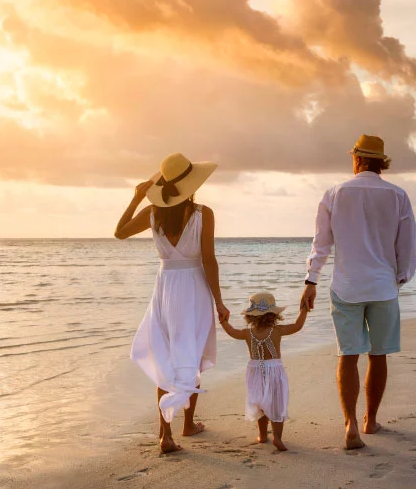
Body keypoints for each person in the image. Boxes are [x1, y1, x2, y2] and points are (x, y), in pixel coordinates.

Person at [300, 134, 416, 450]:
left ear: (358, 159)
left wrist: (310, 281)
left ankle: (350, 422)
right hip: (382, 286)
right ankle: (370, 420)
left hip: (346, 286)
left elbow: (321, 243)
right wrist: (400, 278)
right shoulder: (397, 196)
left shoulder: (334, 194)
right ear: (380, 162)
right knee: (378, 355)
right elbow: (406, 245)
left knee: (347, 355)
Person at [116, 153, 230, 454]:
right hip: (193, 288)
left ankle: (165, 434)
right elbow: (208, 260)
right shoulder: (204, 213)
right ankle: (188, 424)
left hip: (165, 289)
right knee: (189, 354)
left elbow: (120, 232)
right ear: (192, 184)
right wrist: (219, 301)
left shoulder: (152, 213)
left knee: (166, 358)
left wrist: (136, 198)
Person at [219, 292, 308, 452]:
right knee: (276, 403)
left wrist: (223, 321)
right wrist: (304, 310)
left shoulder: (247, 333)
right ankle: (277, 438)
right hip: (274, 370)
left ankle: (262, 435)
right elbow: (297, 326)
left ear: (251, 316)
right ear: (273, 315)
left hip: (255, 371)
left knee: (260, 403)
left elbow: (232, 332)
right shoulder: (277, 331)